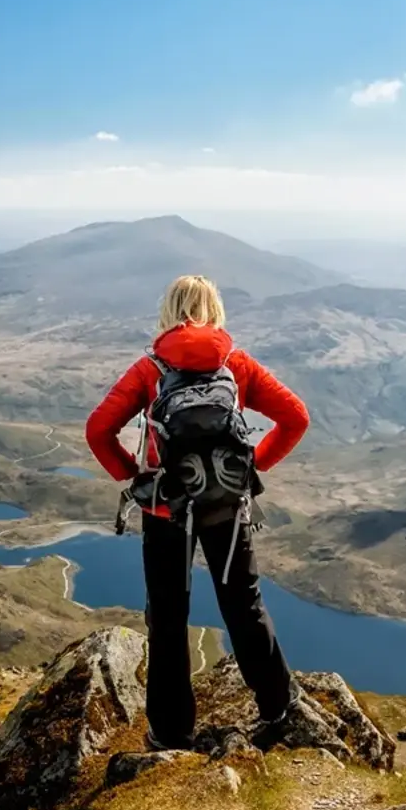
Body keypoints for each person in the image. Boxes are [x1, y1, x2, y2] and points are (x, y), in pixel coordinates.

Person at [85, 274, 312, 751]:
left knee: (167, 618)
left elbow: (98, 429)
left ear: (168, 312)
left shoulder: (150, 369)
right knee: (243, 606)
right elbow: (296, 417)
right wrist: (250, 469)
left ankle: (170, 734)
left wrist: (133, 475)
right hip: (226, 509)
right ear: (216, 310)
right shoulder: (236, 364)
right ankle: (278, 707)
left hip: (167, 509)